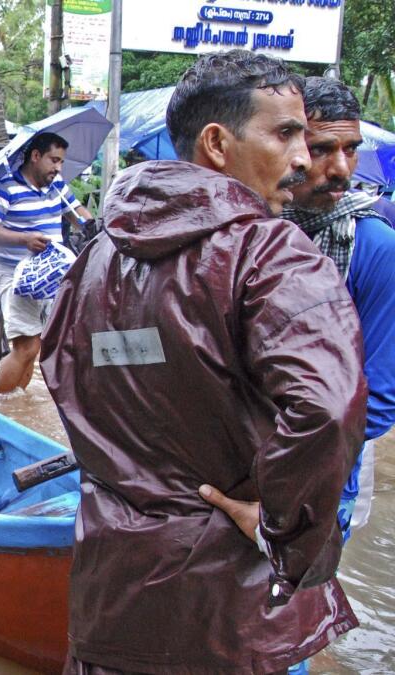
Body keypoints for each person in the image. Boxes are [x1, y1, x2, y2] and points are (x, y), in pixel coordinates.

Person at [39, 50, 365, 673]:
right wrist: (283, 533)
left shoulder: (97, 256)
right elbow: (327, 407)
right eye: (286, 133)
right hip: (227, 610)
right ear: (217, 143)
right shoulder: (268, 251)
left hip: (113, 588)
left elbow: (62, 372)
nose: (303, 158)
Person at [282, 76, 395, 545]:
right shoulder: (249, 232)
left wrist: (272, 459)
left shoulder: (374, 247)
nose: (341, 168)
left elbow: (380, 399)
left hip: (323, 483)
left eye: (350, 149)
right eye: (322, 148)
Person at [0, 132, 93, 394]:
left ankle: (17, 402)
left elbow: (77, 213)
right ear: (35, 156)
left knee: (42, 345)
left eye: (61, 162)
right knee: (26, 346)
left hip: (51, 277)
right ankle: (1, 407)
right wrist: (24, 239)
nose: (58, 168)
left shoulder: (57, 186)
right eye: (54, 160)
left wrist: (91, 225)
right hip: (15, 276)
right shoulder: (4, 188)